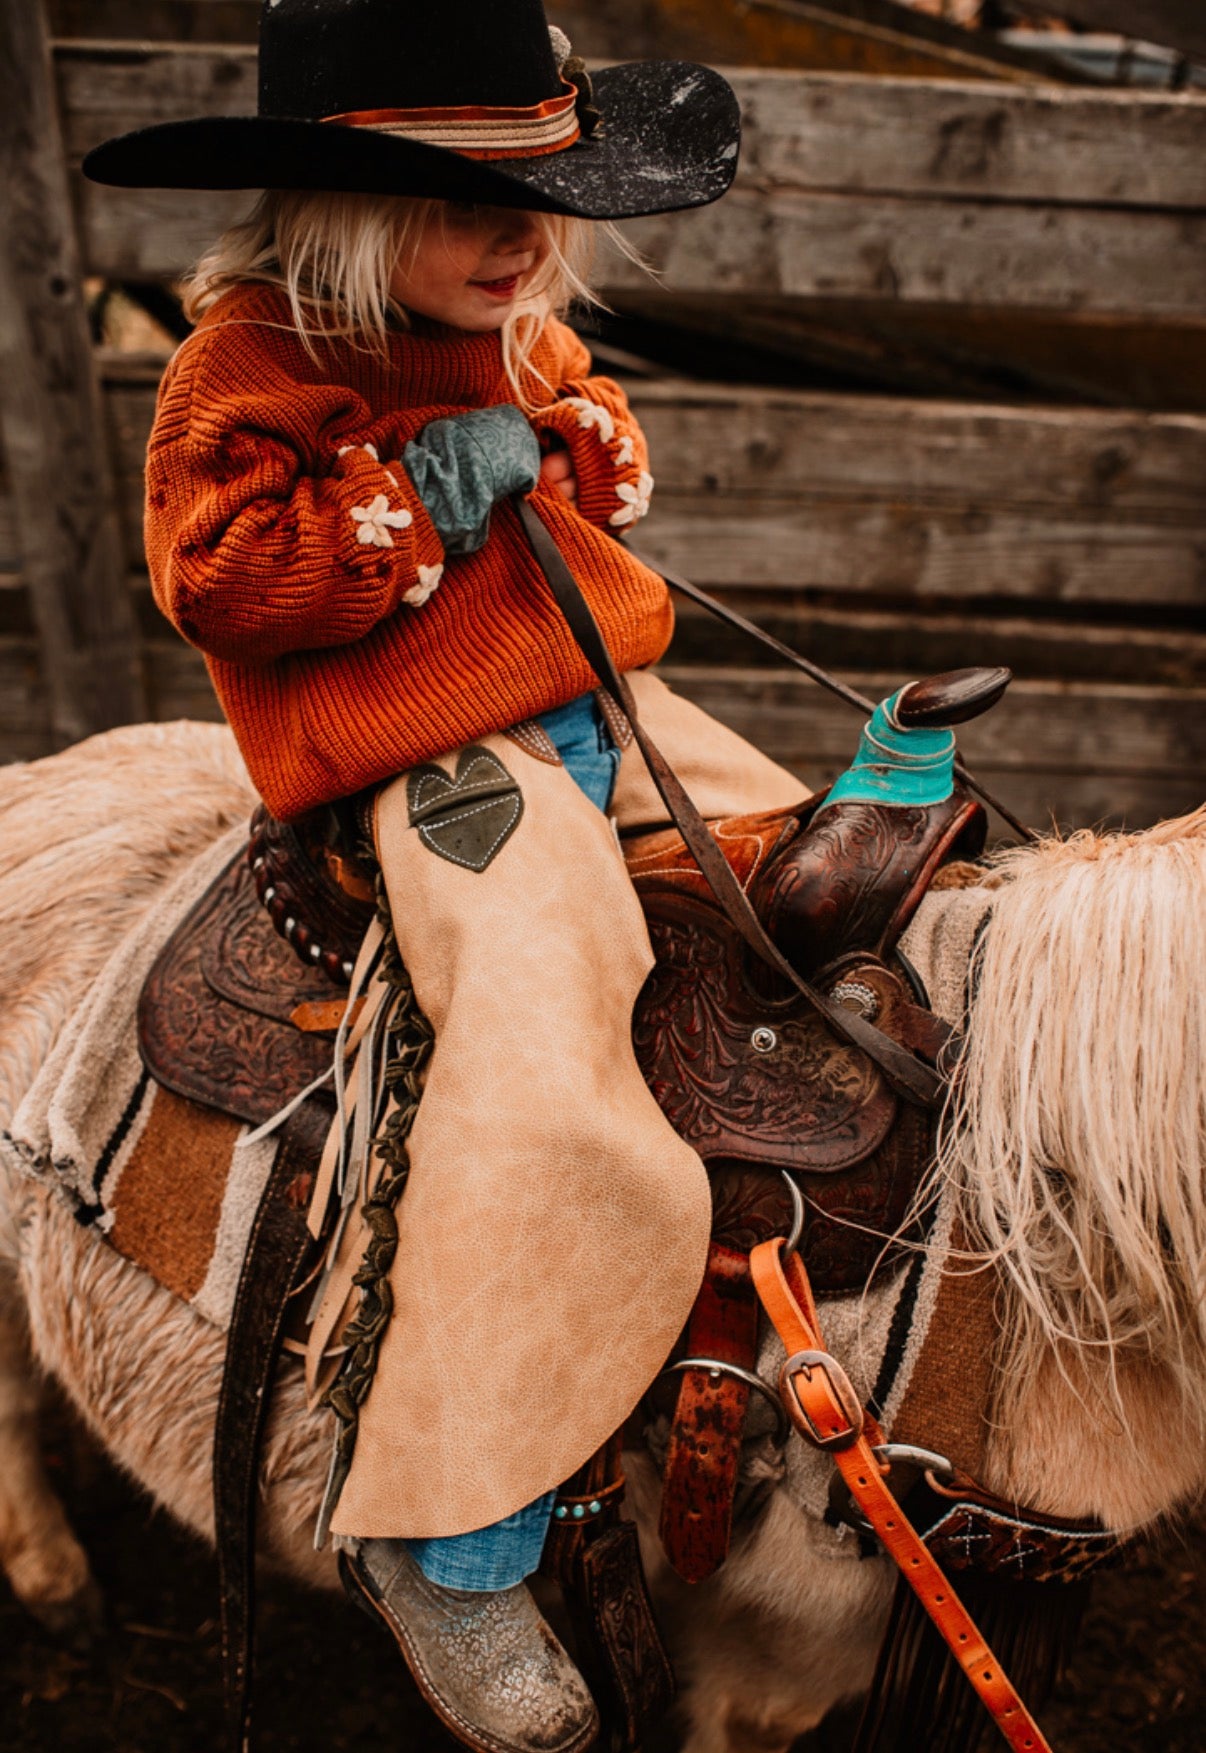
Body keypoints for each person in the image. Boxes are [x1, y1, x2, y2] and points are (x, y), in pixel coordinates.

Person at [84, 4, 809, 1749]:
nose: (521, 237)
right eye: (467, 201)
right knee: (542, 1069)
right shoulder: (241, 366)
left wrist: (564, 444)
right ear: (337, 211)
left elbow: (609, 452)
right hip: (420, 754)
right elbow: (222, 582)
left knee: (823, 878)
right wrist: (411, 492)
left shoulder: (507, 325)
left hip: (589, 695)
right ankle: (445, 1535)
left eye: (541, 199)